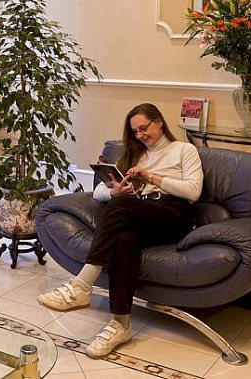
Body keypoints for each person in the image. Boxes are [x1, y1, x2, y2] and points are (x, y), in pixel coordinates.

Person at [37, 103, 204, 358]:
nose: (140, 135)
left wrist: (150, 177)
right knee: (125, 237)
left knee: (122, 205)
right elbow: (99, 191)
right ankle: (120, 324)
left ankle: (82, 284)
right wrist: (116, 191)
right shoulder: (134, 155)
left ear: (159, 122)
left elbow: (193, 191)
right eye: (135, 131)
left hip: (175, 215)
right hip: (139, 213)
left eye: (144, 128)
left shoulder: (183, 150)